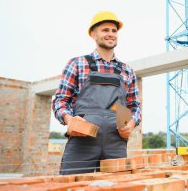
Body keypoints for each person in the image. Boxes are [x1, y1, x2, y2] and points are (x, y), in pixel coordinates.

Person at [51, 11, 141, 175]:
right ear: (93, 34)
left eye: (114, 31)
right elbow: (60, 101)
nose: (110, 34)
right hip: (82, 140)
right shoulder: (77, 64)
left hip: (116, 143)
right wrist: (70, 120)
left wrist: (131, 123)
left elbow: (134, 107)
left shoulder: (127, 71)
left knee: (117, 186)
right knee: (73, 185)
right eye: (105, 30)